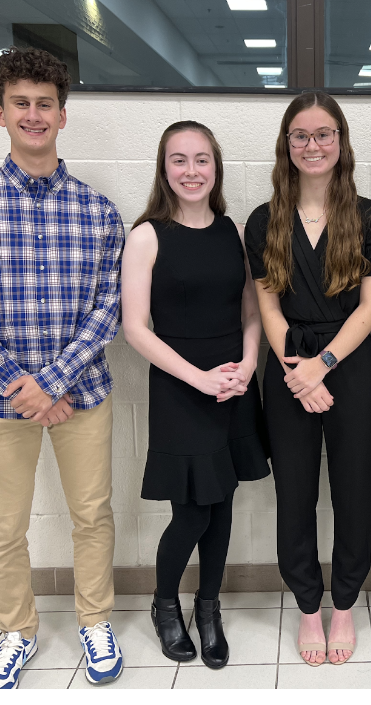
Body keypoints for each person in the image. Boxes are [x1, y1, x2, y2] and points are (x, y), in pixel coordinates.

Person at [0, 46, 124, 688]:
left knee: (92, 515)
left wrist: (53, 382)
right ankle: (15, 633)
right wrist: (25, 387)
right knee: (3, 525)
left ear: (63, 115)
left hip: (82, 396)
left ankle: (94, 621)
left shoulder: (98, 212)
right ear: (0, 114)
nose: (34, 114)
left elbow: (110, 308)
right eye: (21, 103)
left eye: (45, 104)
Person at [244, 92, 371, 666]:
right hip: (286, 368)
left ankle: (346, 604)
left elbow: (369, 310)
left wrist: (321, 367)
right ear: (287, 145)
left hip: (349, 367)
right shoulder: (264, 220)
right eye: (301, 135)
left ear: (341, 141)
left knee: (353, 494)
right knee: (295, 495)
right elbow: (270, 310)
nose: (312, 145)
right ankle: (309, 607)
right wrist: (295, 372)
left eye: (323, 134)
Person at [121, 121, 270, 669]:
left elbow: (249, 309)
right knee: (192, 513)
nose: (191, 171)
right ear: (164, 169)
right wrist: (200, 378)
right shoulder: (146, 235)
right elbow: (136, 327)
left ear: (216, 167)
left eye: (201, 159)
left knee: (223, 505)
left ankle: (209, 609)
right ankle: (165, 604)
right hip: (183, 388)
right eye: (179, 160)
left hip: (233, 383)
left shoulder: (233, 231)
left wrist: (249, 363)